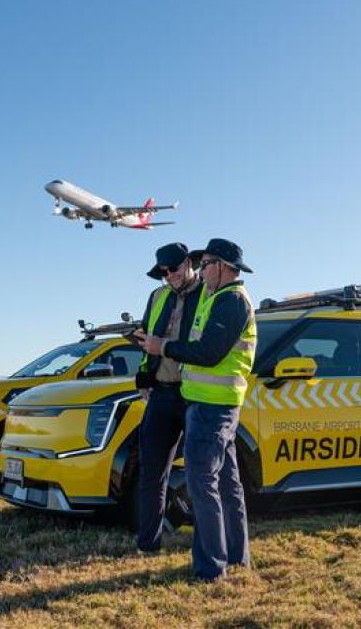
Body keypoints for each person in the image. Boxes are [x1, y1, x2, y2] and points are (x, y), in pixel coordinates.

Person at [137, 238, 255, 581]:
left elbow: (207, 353)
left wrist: (164, 347)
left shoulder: (229, 299)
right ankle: (234, 558)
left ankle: (210, 568)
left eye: (205, 265)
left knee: (203, 484)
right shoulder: (214, 296)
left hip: (210, 405)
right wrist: (147, 370)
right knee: (224, 483)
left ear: (221, 266)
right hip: (201, 401)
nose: (202, 272)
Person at [132, 242, 205, 554]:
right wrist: (144, 378)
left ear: (189, 263)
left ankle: (205, 545)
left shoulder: (209, 293)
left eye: (173, 269)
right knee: (151, 472)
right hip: (160, 394)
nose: (169, 276)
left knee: (201, 474)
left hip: (195, 394)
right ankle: (147, 545)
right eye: (163, 272)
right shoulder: (157, 296)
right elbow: (146, 339)